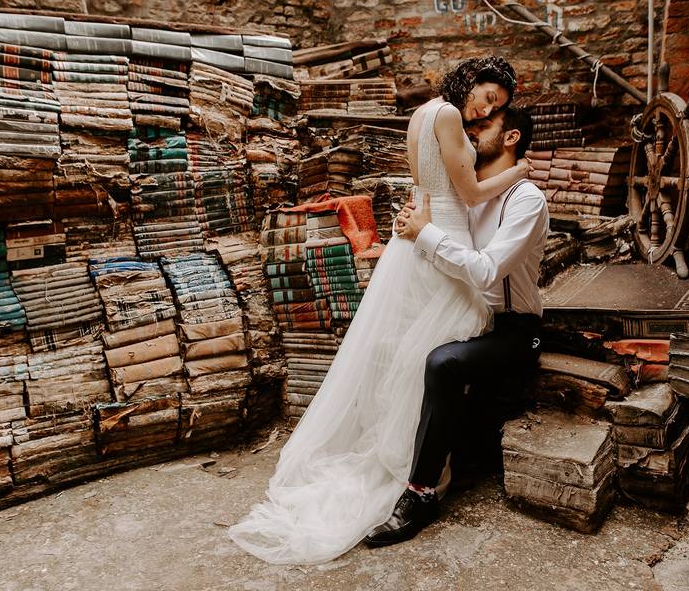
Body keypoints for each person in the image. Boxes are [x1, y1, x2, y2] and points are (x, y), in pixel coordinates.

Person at [228, 57, 530, 565]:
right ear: (470, 80)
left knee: (412, 352)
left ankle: (419, 455)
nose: (484, 109)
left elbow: (427, 184)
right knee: (433, 353)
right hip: (441, 238)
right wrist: (519, 169)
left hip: (414, 236)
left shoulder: (421, 113)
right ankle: (412, 468)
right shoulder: (450, 116)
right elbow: (471, 191)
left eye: (494, 107)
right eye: (486, 96)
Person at [364, 105, 550, 547]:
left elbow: (486, 271)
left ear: (511, 137)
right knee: (392, 344)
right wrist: (413, 228)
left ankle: (421, 494)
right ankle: (393, 462)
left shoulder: (526, 200)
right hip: (473, 317)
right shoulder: (474, 197)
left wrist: (427, 234)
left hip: (515, 330)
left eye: (484, 126)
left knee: (442, 363)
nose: (471, 131)